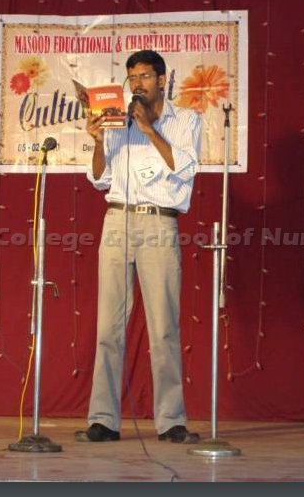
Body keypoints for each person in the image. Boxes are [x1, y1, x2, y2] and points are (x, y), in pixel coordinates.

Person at [76, 50, 202, 444]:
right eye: (132, 78)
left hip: (159, 221)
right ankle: (103, 419)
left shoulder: (186, 120)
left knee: (163, 327)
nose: (138, 84)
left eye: (145, 76)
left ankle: (171, 420)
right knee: (108, 327)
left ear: (162, 80)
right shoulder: (118, 120)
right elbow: (100, 179)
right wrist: (99, 141)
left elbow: (186, 167)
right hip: (117, 219)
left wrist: (148, 129)